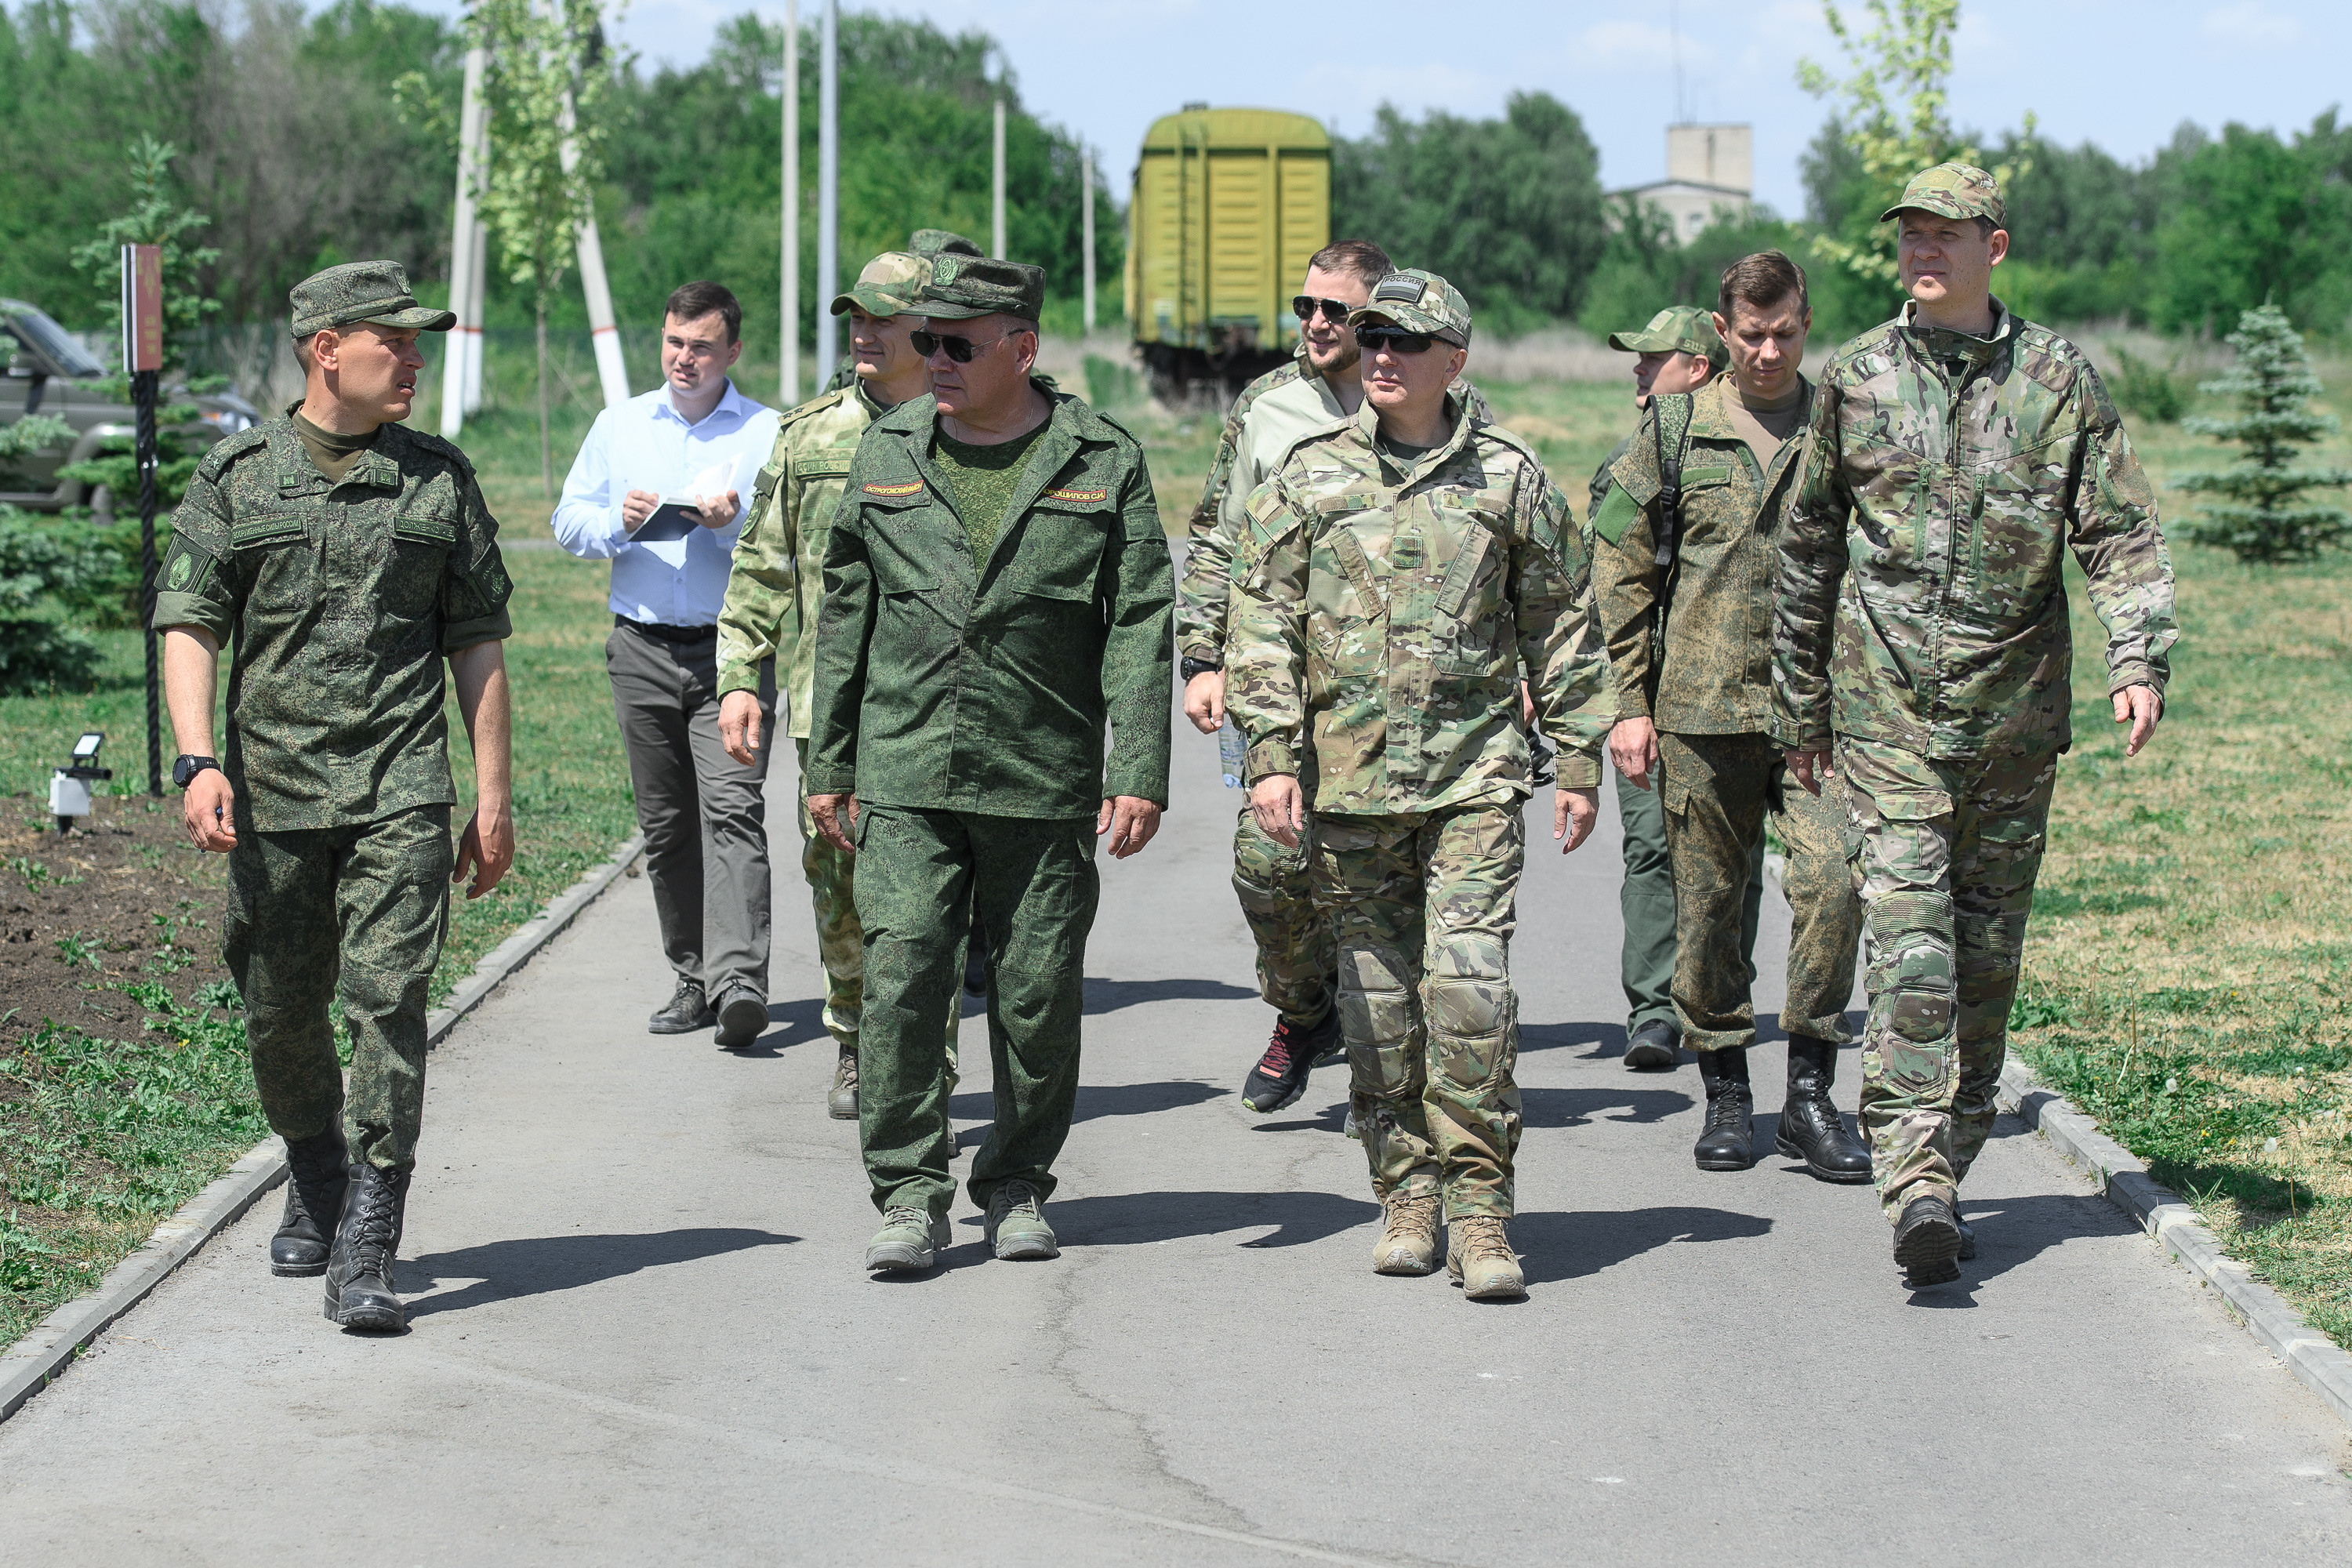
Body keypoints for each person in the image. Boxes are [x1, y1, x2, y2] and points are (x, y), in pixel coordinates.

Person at [1774, 164, 2176, 1285]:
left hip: (2013, 728)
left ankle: (1949, 1151)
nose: (1923, 253)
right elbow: (1807, 547)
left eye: (1946, 236)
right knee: (1913, 962)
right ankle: (1915, 1183)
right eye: (1910, 236)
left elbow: (2120, 532)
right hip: (1886, 723)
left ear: (1993, 247)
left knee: (1986, 972)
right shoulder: (1855, 380)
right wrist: (1801, 701)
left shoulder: (2059, 379)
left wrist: (2137, 657)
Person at [1227, 270, 1612, 1301]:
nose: (1382, 354)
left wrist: (1578, 759)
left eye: (1407, 341)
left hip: (1473, 785)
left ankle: (1482, 1212)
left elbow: (1561, 625)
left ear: (1457, 359)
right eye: (1373, 336)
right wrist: (1270, 758)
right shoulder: (1307, 478)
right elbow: (1260, 624)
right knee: (1380, 1013)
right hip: (1347, 790)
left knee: (1468, 996)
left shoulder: (1511, 478)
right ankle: (1406, 1192)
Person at [154, 260, 515, 1332]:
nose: (413, 360)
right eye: (391, 342)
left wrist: (490, 798)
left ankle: (368, 1237)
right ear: (326, 350)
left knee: (388, 1004)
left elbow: (479, 645)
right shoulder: (235, 477)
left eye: (416, 343)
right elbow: (190, 623)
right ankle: (316, 1171)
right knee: (277, 1011)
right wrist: (195, 757)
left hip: (402, 788)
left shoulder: (438, 481)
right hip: (270, 793)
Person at [804, 253, 1174, 1273]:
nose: (933, 360)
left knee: (1036, 993)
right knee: (903, 978)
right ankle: (909, 1196)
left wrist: (1138, 764)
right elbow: (847, 611)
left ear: (1022, 347)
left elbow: (1141, 615)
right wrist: (828, 759)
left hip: (1040, 772)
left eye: (956, 345)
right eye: (925, 342)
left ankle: (1015, 1184)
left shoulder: (1099, 457)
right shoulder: (887, 449)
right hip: (905, 765)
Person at [1593, 252, 1869, 1181]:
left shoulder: (1845, 421)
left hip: (1818, 716)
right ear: (1721, 332)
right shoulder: (1674, 429)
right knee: (1709, 909)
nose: (1768, 350)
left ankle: (1809, 1092)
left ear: (1807, 320)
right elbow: (1621, 571)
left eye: (1786, 331)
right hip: (1699, 712)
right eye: (1750, 334)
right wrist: (1627, 705)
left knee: (1833, 884)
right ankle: (1726, 1092)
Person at [716, 246, 965, 1122]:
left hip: (939, 708)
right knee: (840, 885)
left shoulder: (968, 427)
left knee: (929, 897)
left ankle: (924, 1056)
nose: (863, 331)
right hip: (830, 714)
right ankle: (857, 1042)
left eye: (882, 317)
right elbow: (762, 565)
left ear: (927, 330)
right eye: (854, 316)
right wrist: (742, 675)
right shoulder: (809, 435)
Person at [1178, 238, 1393, 1116]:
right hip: (1273, 681)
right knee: (1270, 867)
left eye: (1333, 310)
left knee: (1380, 875)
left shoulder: (1427, 396)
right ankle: (1303, 1012)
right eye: (1304, 306)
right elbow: (1215, 534)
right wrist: (1201, 656)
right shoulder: (1266, 405)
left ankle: (1389, 1069)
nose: (1313, 323)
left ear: (1377, 315)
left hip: (1390, 689)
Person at [551, 281, 782, 1047]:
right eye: (675, 342)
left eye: (703, 346)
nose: (686, 358)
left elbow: (783, 544)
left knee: (735, 811)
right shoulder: (621, 426)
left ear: (733, 352)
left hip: (733, 656)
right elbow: (567, 520)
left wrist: (731, 522)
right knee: (668, 825)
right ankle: (692, 976)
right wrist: (616, 524)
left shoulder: (764, 432)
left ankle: (740, 980)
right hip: (642, 648)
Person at [1589, 306, 1762, 1073]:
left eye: (1652, 357)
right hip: (1649, 690)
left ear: (1698, 365)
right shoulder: (1635, 457)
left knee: (1736, 857)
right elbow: (1598, 572)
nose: (1638, 369)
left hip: (1732, 695)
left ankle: (1717, 995)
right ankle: (1655, 1010)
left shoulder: (1752, 446)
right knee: (1654, 849)